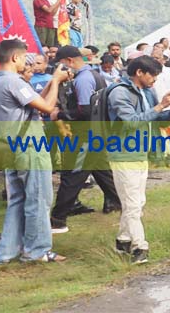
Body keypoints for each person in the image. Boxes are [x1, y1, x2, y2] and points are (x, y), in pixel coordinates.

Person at [0, 39, 72, 263]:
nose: (27, 64)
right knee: (38, 198)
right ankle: (37, 251)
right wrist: (56, 81)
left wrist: (52, 82)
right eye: (24, 59)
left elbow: (36, 101)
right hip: (29, 146)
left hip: (12, 145)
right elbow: (47, 107)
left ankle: (7, 252)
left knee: (18, 200)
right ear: (15, 57)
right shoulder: (13, 82)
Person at [107, 55, 170, 264]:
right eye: (153, 75)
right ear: (139, 72)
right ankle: (140, 247)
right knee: (132, 204)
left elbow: (156, 119)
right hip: (123, 153)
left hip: (140, 152)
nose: (155, 80)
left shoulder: (147, 91)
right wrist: (159, 107)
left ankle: (123, 240)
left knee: (137, 201)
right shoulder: (119, 92)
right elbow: (131, 122)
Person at [50, 46, 121, 233]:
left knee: (73, 175)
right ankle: (119, 203)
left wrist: (60, 114)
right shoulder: (94, 75)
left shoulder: (82, 80)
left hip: (86, 134)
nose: (60, 69)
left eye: (61, 65)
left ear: (69, 61)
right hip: (97, 133)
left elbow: (85, 111)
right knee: (102, 171)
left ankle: (58, 219)